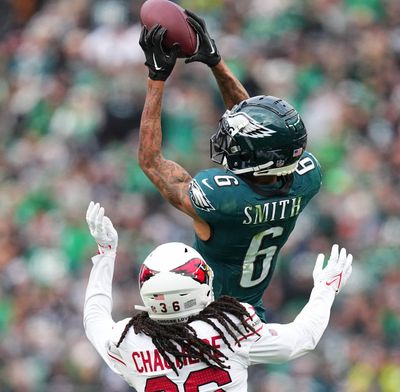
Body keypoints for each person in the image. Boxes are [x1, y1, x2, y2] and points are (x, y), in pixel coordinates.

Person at [137, 11, 322, 319]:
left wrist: (156, 78)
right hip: (251, 317)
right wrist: (215, 62)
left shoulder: (223, 200)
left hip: (206, 322)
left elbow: (151, 162)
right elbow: (255, 123)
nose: (229, 143)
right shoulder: (305, 178)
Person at [83, 202, 352, 392]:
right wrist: (326, 288)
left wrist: (106, 253)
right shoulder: (229, 327)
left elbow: (94, 318)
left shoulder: (129, 339)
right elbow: (302, 339)